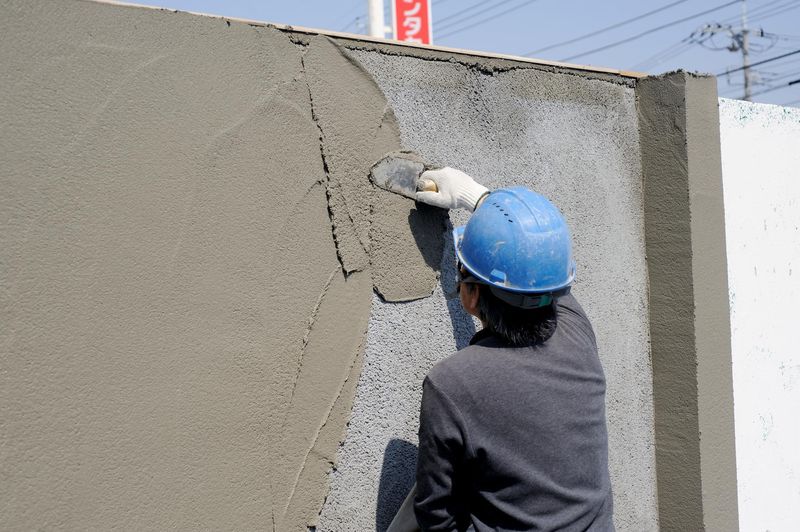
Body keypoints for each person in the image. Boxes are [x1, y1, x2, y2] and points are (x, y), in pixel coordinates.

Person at [389, 167, 614, 532]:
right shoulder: (575, 329)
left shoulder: (452, 383)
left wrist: (476, 200)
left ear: (472, 293)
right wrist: (473, 196)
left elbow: (435, 518)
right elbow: (538, 259)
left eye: (459, 269)